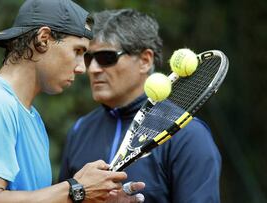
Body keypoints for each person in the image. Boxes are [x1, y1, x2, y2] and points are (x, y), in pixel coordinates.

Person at [0, 1, 134, 202]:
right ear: (43, 39)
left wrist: (88, 198)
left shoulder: (32, 117)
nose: (81, 68)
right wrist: (77, 190)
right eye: (77, 51)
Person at [59, 9, 222, 203]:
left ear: (145, 60)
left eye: (106, 57)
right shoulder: (80, 130)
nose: (92, 68)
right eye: (88, 58)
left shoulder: (189, 135)